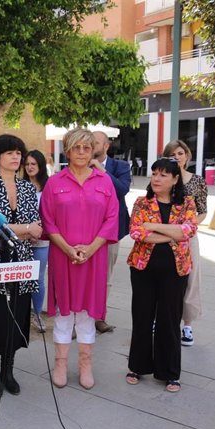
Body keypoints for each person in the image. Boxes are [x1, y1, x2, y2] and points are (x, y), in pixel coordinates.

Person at [40, 128, 118, 390]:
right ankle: (60, 364)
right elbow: (48, 222)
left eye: (87, 147)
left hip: (94, 258)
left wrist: (91, 248)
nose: (82, 152)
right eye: (77, 148)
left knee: (87, 313)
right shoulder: (55, 182)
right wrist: (69, 248)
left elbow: (112, 219)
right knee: (64, 313)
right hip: (64, 257)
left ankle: (86, 365)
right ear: (68, 150)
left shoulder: (104, 181)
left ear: (93, 150)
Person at [0, 135, 42, 396]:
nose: (16, 157)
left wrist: (16, 230)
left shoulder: (28, 188)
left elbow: (37, 229)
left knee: (16, 313)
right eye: (9, 153)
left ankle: (8, 369)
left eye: (18, 153)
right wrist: (23, 229)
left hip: (22, 260)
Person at [126, 158, 197, 393]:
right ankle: (137, 366)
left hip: (176, 271)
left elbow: (189, 230)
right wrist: (173, 234)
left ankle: (170, 373)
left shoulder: (187, 203)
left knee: (169, 320)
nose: (156, 178)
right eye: (154, 173)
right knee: (142, 317)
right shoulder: (141, 202)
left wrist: (153, 226)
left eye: (163, 175)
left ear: (175, 179)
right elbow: (137, 232)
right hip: (143, 269)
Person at [161, 140, 207, 347]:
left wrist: (186, 227)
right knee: (162, 279)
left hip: (188, 238)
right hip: (162, 237)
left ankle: (187, 325)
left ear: (186, 156)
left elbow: (202, 211)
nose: (177, 157)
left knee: (190, 280)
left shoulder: (197, 181)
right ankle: (158, 320)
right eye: (172, 154)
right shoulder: (163, 179)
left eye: (180, 153)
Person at [91, 131, 131, 334]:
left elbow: (122, 190)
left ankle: (99, 317)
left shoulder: (120, 167)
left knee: (105, 276)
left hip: (111, 231)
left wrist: (102, 171)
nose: (91, 145)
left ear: (106, 146)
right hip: (86, 230)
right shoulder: (81, 166)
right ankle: (80, 317)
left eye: (95, 142)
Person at [22, 149, 50, 331]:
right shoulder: (19, 185)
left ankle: (37, 314)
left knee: (38, 278)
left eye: (34, 164)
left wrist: (38, 233)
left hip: (42, 240)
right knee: (22, 277)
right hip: (22, 238)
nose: (30, 167)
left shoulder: (49, 186)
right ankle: (22, 314)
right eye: (27, 164)